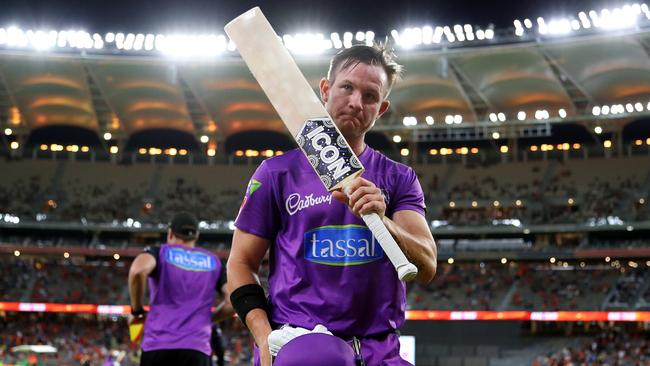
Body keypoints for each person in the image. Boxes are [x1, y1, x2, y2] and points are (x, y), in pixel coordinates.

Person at [228, 43, 438, 366]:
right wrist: (263, 336)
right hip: (298, 347)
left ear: (381, 108)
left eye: (370, 96)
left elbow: (426, 266)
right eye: (347, 88)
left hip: (378, 351)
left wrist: (385, 222)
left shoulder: (399, 178)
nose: (356, 103)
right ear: (325, 89)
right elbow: (240, 263)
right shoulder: (276, 173)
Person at [128, 212, 232, 366]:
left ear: (170, 233)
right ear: (196, 236)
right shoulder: (214, 262)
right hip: (197, 347)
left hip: (157, 345)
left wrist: (137, 310)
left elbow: (138, 271)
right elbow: (233, 301)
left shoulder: (160, 252)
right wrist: (207, 319)